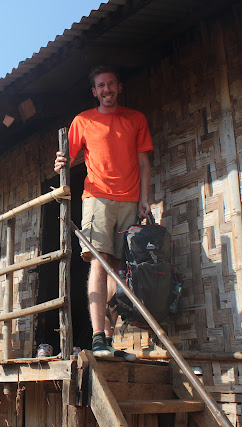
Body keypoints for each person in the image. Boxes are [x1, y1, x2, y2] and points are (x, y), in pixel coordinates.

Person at [54, 65, 154, 359]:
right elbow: (66, 159)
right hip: (97, 198)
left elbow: (144, 163)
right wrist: (60, 163)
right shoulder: (83, 120)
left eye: (111, 84)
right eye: (101, 85)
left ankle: (109, 341)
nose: (107, 89)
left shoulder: (136, 119)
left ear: (119, 87)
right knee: (99, 262)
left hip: (130, 200)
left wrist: (144, 198)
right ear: (94, 92)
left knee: (120, 269)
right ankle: (98, 336)